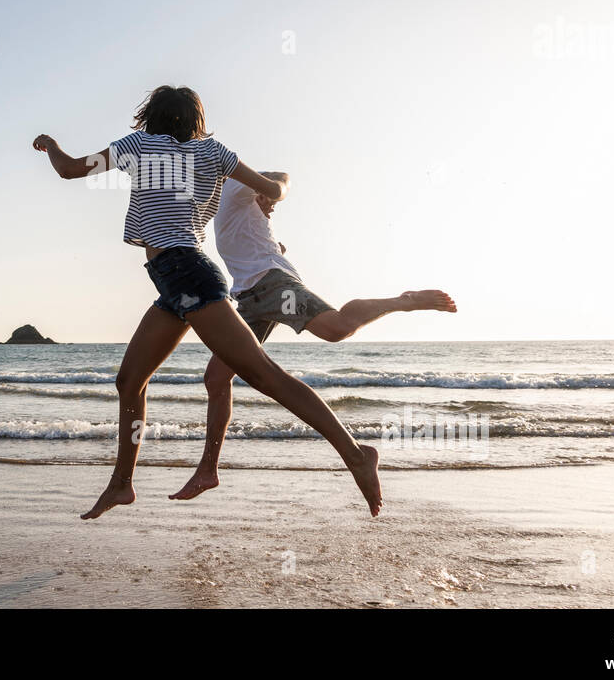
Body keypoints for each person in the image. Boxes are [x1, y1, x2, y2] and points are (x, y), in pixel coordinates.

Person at [32, 85, 382, 520]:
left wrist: (50, 144)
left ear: (150, 116)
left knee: (263, 373)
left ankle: (355, 453)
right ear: (195, 118)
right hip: (176, 281)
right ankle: (121, 484)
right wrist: (269, 195)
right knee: (130, 381)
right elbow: (275, 185)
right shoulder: (215, 152)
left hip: (187, 275)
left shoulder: (137, 145)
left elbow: (68, 170)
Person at [170, 174, 457, 501]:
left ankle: (404, 301)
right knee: (217, 377)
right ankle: (208, 469)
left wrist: (270, 192)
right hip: (250, 297)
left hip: (272, 283)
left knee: (335, 328)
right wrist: (273, 240)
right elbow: (246, 235)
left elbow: (281, 179)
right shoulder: (212, 206)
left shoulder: (234, 183)